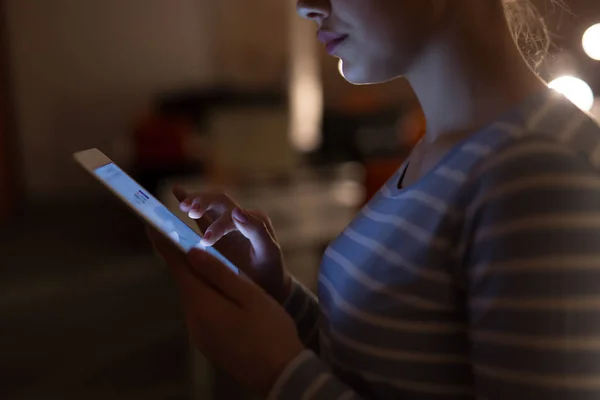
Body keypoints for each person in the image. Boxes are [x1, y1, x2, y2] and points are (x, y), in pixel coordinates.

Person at [148, 0, 600, 398]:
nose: (307, 5)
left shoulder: (540, 172)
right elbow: (382, 372)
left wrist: (279, 373)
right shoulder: (449, 148)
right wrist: (278, 296)